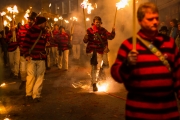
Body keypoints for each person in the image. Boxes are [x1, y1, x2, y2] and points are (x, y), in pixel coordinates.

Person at [111, 2, 180, 119]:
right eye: (150, 19)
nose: (155, 22)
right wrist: (127, 64)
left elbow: (178, 73)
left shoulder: (170, 43)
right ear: (140, 21)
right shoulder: (128, 45)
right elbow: (116, 74)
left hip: (168, 111)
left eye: (156, 18)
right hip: (138, 112)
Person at [83, 16, 115, 91]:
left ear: (101, 23)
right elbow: (85, 41)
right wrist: (86, 37)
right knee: (94, 67)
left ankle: (101, 72)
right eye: (96, 22)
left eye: (99, 22)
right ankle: (94, 83)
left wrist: (113, 31)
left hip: (103, 50)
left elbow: (110, 37)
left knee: (106, 65)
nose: (97, 23)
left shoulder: (103, 30)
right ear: (94, 22)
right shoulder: (89, 30)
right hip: (94, 51)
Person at [23, 16, 48, 103]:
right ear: (41, 23)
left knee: (39, 76)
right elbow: (25, 43)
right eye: (45, 23)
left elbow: (45, 43)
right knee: (31, 76)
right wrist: (26, 54)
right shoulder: (30, 31)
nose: (46, 25)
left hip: (41, 57)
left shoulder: (44, 32)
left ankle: (35, 94)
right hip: (32, 57)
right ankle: (29, 94)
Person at [18, 12, 37, 90]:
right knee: (22, 70)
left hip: (31, 54)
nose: (30, 21)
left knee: (30, 71)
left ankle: (30, 86)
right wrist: (20, 46)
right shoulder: (21, 28)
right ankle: (23, 80)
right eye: (29, 19)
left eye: (32, 20)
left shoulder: (35, 29)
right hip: (23, 53)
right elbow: (18, 39)